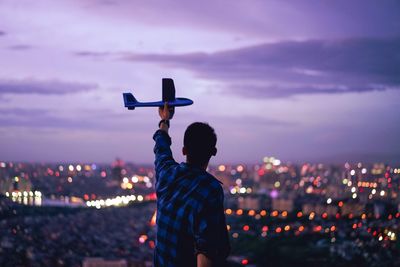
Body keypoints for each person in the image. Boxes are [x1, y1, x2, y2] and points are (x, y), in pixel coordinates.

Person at [153, 103, 230, 267]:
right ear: (213, 152)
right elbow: (207, 248)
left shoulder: (167, 173)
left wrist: (164, 120)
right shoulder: (210, 189)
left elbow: (161, 147)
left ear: (184, 150)